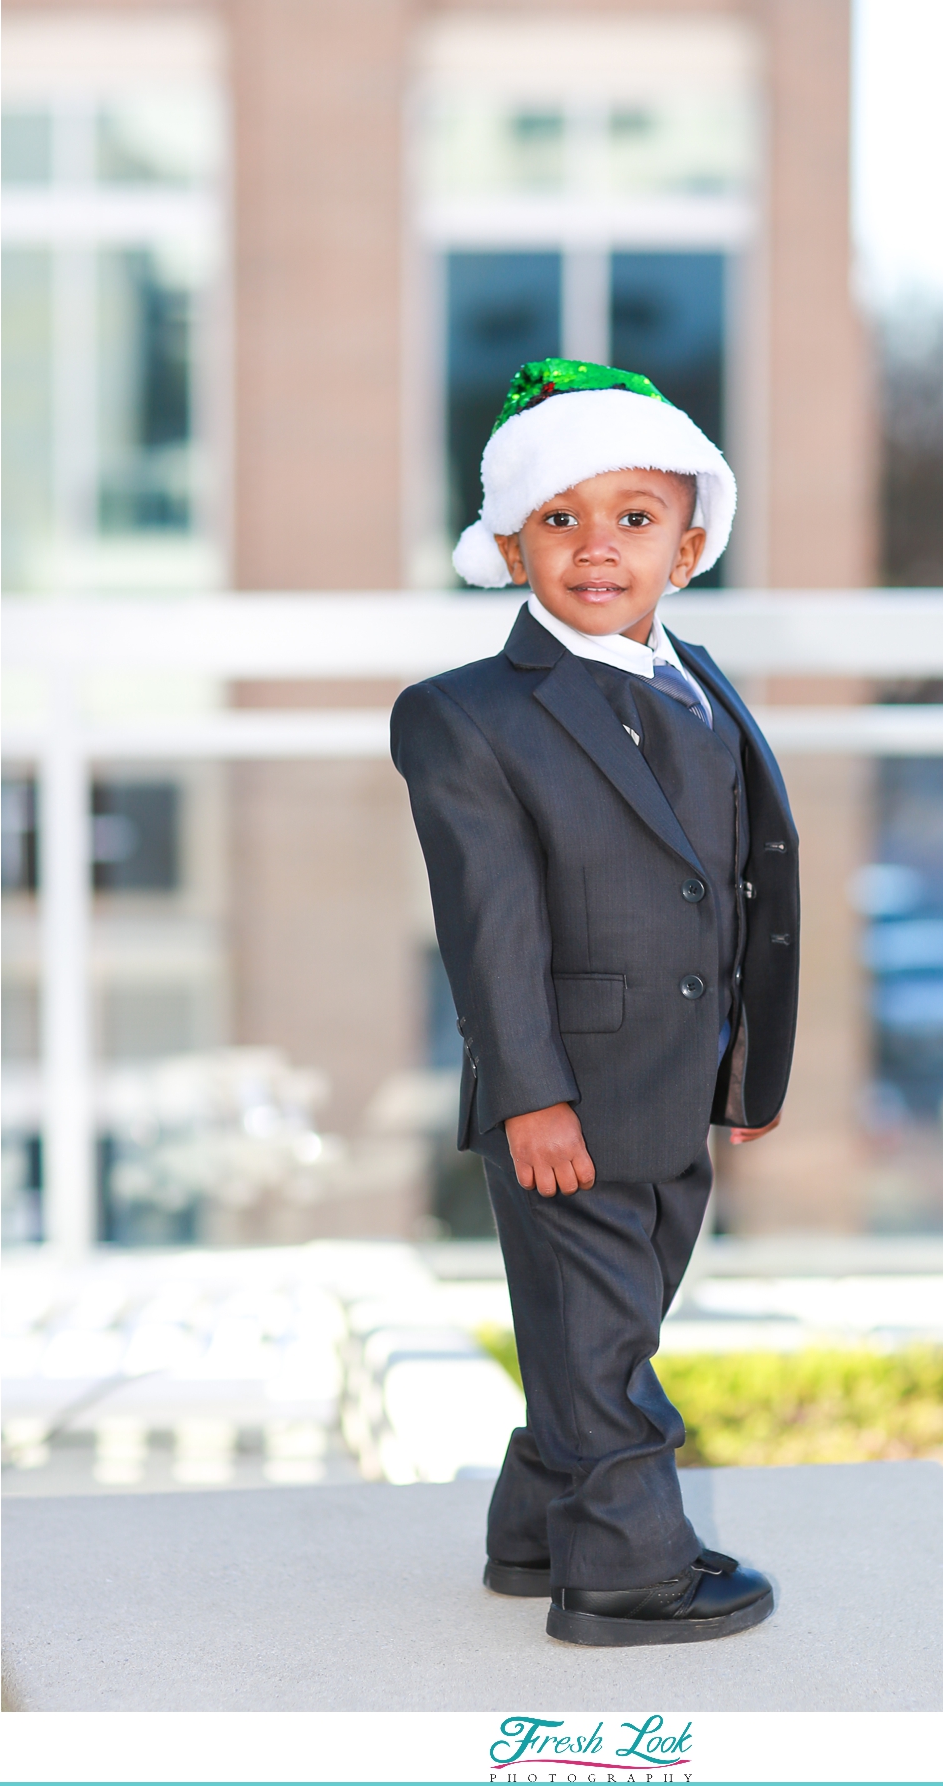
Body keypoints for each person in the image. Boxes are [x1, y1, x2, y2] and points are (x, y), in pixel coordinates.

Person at [390, 358, 800, 1646]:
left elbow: (731, 888)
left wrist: (743, 1072)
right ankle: (625, 1569)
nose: (597, 547)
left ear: (690, 547)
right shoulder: (465, 717)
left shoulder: (701, 680)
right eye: (559, 520)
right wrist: (532, 1096)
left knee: (607, 1310)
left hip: (679, 1079)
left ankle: (534, 1528)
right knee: (606, 1337)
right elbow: (488, 929)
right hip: (563, 1089)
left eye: (634, 516)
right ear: (509, 548)